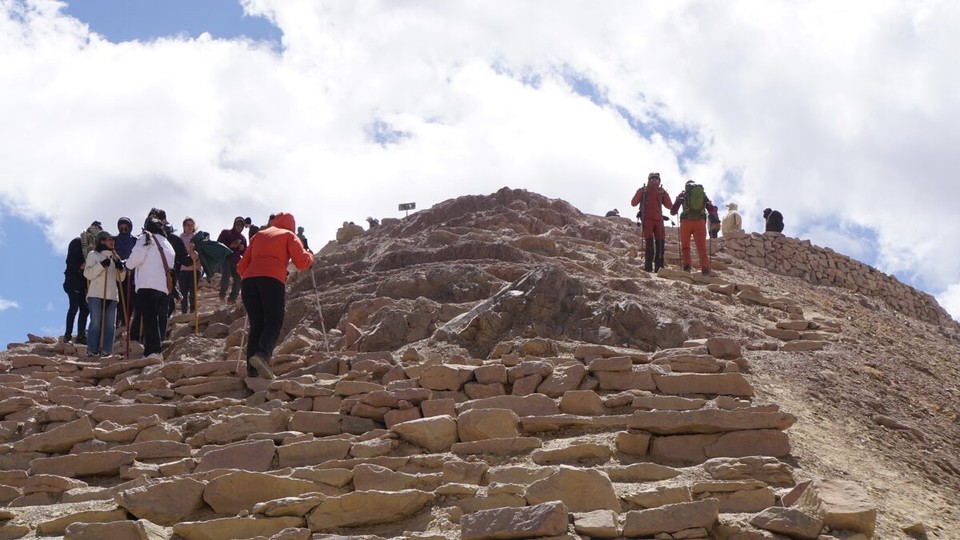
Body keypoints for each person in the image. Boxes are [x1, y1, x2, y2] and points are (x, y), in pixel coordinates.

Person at [237, 212, 314, 379]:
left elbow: (241, 266)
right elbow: (301, 262)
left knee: (256, 324)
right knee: (273, 320)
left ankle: (252, 372)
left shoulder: (259, 235)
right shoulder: (289, 235)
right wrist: (310, 256)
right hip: (272, 279)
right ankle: (262, 355)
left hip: (248, 282)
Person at [125, 217, 175, 360]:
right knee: (156, 318)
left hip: (147, 284)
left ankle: (153, 352)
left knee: (149, 319)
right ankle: (152, 350)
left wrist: (127, 265)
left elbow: (136, 257)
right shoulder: (167, 242)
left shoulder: (146, 237)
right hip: (163, 287)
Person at [83, 231, 125, 357]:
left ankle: (107, 351)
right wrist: (101, 266)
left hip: (112, 295)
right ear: (101, 241)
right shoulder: (93, 255)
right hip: (96, 294)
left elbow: (120, 278)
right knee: (95, 322)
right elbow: (88, 274)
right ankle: (92, 350)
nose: (112, 242)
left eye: (113, 239)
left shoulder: (115, 257)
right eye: (109, 239)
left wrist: (120, 267)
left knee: (110, 325)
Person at [671, 180, 717, 276]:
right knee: (702, 248)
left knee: (685, 247)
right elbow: (711, 208)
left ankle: (687, 268)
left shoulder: (683, 193)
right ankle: (705, 270)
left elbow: (673, 211)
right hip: (700, 223)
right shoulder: (702, 194)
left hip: (686, 222)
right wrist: (713, 217)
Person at [630, 172, 673, 272]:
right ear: (649, 180)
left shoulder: (654, 192)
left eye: (656, 178)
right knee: (657, 246)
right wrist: (641, 191)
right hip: (653, 221)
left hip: (653, 221)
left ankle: (651, 268)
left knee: (656, 245)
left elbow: (670, 205)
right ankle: (657, 268)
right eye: (652, 178)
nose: (654, 180)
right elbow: (633, 203)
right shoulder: (645, 191)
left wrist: (664, 193)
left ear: (659, 180)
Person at [62, 235, 89, 345]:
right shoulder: (77, 242)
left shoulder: (89, 247)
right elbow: (70, 261)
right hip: (73, 281)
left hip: (83, 283)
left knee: (84, 308)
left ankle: (80, 335)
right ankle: (68, 335)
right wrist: (80, 266)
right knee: (74, 306)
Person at [217, 217, 247, 304]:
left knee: (238, 280)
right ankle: (222, 295)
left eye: (241, 225)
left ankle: (232, 299)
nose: (239, 227)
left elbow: (245, 253)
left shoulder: (243, 238)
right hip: (226, 259)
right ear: (234, 224)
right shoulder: (226, 233)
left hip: (237, 261)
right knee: (225, 277)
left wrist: (242, 248)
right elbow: (218, 244)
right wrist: (230, 245)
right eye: (238, 224)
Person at [114, 217, 137, 328]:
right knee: (119, 297)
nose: (123, 229)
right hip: (118, 273)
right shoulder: (114, 240)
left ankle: (126, 321)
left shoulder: (135, 240)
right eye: (121, 227)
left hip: (132, 274)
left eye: (125, 227)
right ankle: (118, 320)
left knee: (130, 298)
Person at [178, 217, 200, 314]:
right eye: (188, 225)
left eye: (192, 225)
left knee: (193, 291)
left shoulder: (197, 237)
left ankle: (192, 312)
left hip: (196, 267)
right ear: (183, 226)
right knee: (183, 292)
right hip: (183, 268)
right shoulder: (180, 238)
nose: (190, 227)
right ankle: (184, 312)